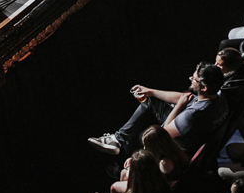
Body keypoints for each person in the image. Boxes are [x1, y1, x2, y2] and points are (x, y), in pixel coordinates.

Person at [87, 62, 227, 157]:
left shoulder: (194, 114)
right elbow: (184, 97)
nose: (190, 78)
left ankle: (122, 149)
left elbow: (163, 132)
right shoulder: (217, 97)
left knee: (143, 136)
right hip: (192, 132)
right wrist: (150, 91)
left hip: (179, 146)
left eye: (194, 79)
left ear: (204, 88)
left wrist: (178, 107)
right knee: (151, 101)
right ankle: (118, 139)